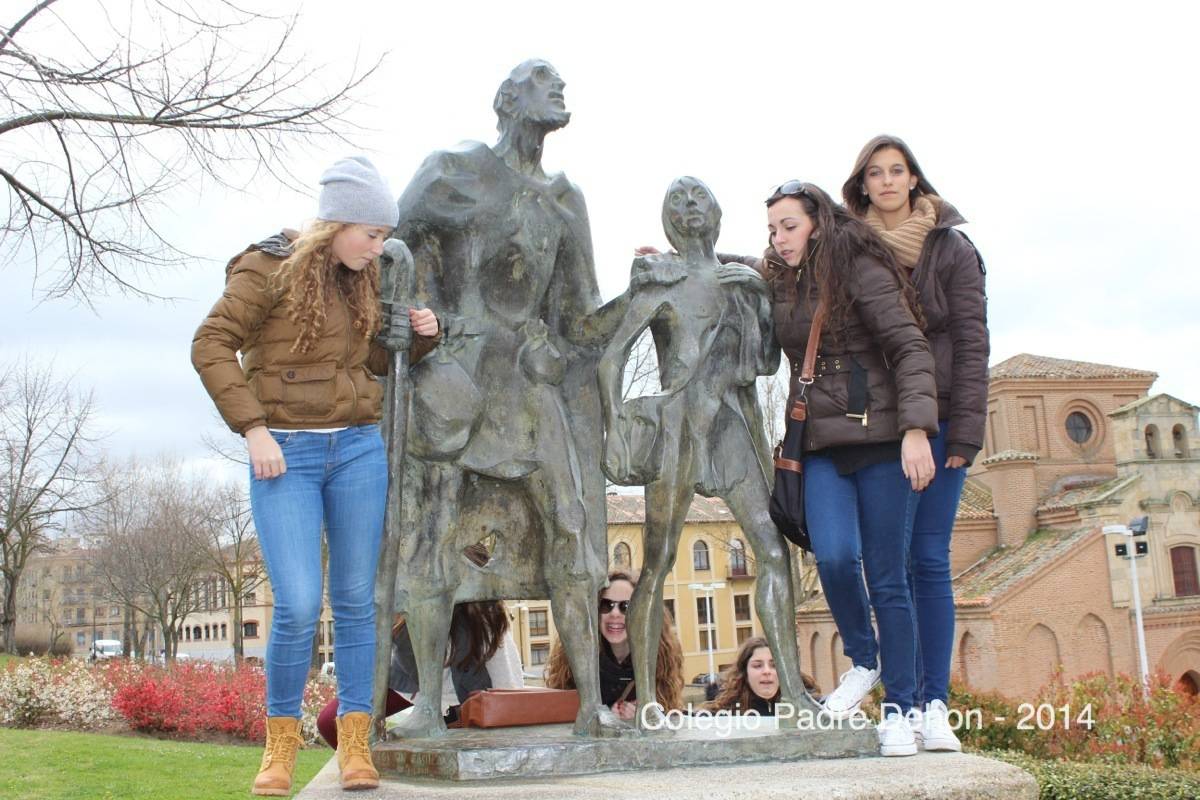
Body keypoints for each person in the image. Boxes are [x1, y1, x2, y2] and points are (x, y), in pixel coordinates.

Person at [191, 156, 440, 795]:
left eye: (385, 237)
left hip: (358, 450)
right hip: (286, 456)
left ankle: (357, 747)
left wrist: (423, 336)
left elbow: (373, 365)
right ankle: (279, 750)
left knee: (360, 605)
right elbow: (210, 343)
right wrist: (253, 430)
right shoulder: (265, 267)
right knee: (298, 604)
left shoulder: (365, 279)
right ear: (336, 222)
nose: (380, 248)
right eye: (372, 234)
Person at [599, 177, 816, 728]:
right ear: (667, 218)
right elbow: (611, 356)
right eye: (678, 200)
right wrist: (615, 426)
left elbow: (766, 361)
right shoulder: (657, 277)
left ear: (717, 213)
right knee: (657, 562)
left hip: (732, 430)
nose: (689, 206)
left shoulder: (743, 281)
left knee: (771, 549)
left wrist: (751, 298)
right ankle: (648, 699)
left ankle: (793, 691)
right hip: (676, 431)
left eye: (699, 198)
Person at [842, 135, 988, 752]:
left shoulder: (952, 248)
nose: (886, 182)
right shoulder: (850, 249)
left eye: (896, 170)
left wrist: (967, 433)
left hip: (944, 422)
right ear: (862, 184)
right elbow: (784, 266)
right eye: (874, 173)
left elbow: (974, 341)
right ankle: (898, 704)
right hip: (882, 427)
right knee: (889, 566)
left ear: (913, 178)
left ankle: (934, 704)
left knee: (928, 559)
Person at [316, 599, 522, 747]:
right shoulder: (408, 595)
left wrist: (506, 711)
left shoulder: (483, 611)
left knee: (448, 751)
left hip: (463, 696)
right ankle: (371, 769)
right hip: (412, 682)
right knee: (330, 721)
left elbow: (507, 680)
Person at [544, 570, 684, 720]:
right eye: (606, 605)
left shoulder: (659, 663)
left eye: (626, 606)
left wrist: (646, 718)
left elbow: (669, 720)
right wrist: (606, 718)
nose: (615, 613)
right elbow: (562, 720)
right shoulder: (575, 664)